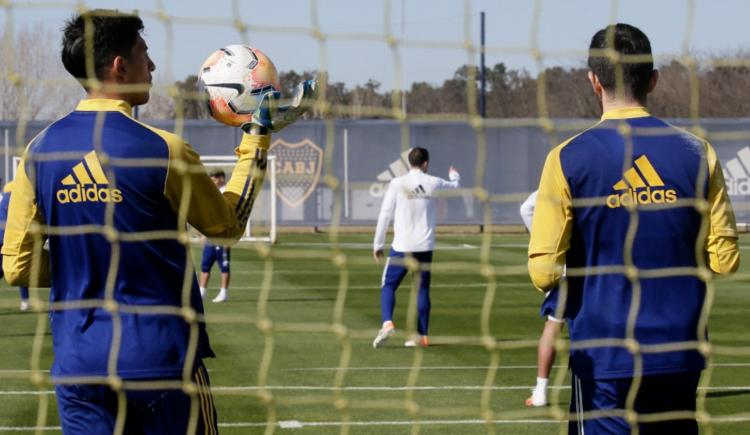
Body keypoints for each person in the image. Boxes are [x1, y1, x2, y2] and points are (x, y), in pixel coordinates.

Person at [1, 9, 314, 434]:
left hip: (81, 368)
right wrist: (257, 137)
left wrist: (85, 266)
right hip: (163, 362)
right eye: (144, 53)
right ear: (119, 65)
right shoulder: (164, 149)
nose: (151, 65)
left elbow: (17, 268)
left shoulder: (38, 151)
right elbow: (226, 226)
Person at [528, 23, 739, 434]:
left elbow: (544, 273)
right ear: (654, 79)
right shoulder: (699, 152)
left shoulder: (566, 158)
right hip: (680, 347)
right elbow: (726, 261)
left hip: (605, 353)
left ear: (593, 81)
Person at [372, 147, 460, 348]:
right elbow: (455, 186)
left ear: (409, 163)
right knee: (422, 290)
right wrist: (454, 175)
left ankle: (387, 323)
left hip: (402, 246)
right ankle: (422, 336)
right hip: (425, 247)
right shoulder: (434, 182)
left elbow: (385, 214)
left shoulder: (397, 183)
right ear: (426, 163)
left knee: (388, 286)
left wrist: (378, 243)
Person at [520, 190, 565, 407]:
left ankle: (541, 391)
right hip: (600, 264)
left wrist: (543, 242)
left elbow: (526, 209)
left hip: (565, 266)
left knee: (554, 325)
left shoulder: (561, 175)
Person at [199, 170, 232, 303]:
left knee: (223, 266)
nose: (212, 181)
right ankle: (202, 291)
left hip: (222, 236)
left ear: (221, 179)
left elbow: (229, 216)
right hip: (210, 236)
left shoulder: (227, 193)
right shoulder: (212, 194)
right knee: (205, 264)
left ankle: (224, 292)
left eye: (214, 179)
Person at [0, 181, 29, 311]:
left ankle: (25, 301)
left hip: (3, 239)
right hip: (13, 239)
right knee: (19, 269)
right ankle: (25, 300)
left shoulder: (4, 199)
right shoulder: (17, 199)